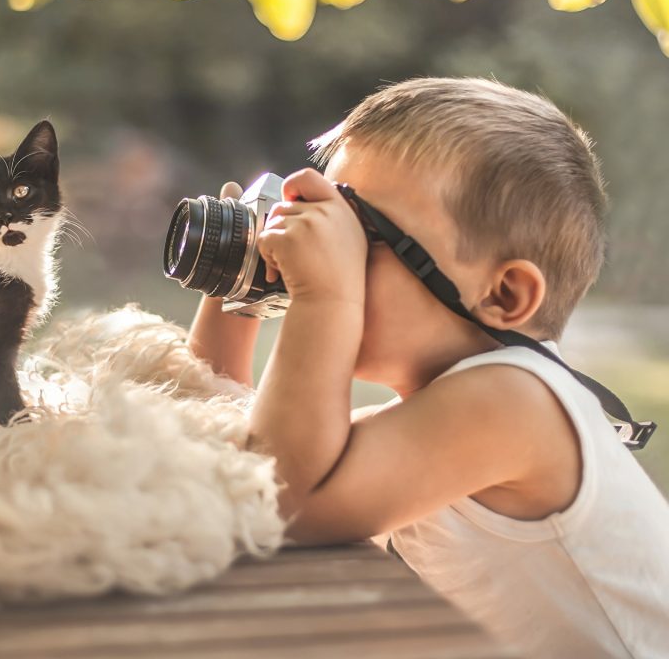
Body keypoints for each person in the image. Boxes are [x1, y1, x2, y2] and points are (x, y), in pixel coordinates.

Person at [186, 78, 669, 658]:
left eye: (361, 233)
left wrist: (326, 296)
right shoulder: (443, 414)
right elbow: (243, 458)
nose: (330, 249)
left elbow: (285, 502)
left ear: (505, 295)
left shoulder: (516, 402)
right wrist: (238, 288)